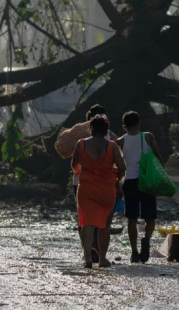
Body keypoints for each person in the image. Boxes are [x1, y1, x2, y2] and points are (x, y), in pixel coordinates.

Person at [72, 115, 126, 268]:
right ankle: (102, 259)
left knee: (87, 223)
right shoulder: (112, 146)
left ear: (91, 129)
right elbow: (122, 167)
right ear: (106, 130)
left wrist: (84, 171)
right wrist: (115, 176)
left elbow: (74, 164)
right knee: (104, 226)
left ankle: (88, 258)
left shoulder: (80, 144)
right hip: (106, 189)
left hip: (86, 189)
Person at [117, 111, 163, 263]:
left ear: (124, 126)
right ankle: (146, 240)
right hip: (147, 181)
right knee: (150, 217)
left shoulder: (120, 141)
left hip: (130, 181)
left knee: (132, 219)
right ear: (139, 123)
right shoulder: (148, 136)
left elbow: (117, 163)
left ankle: (134, 252)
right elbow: (157, 158)